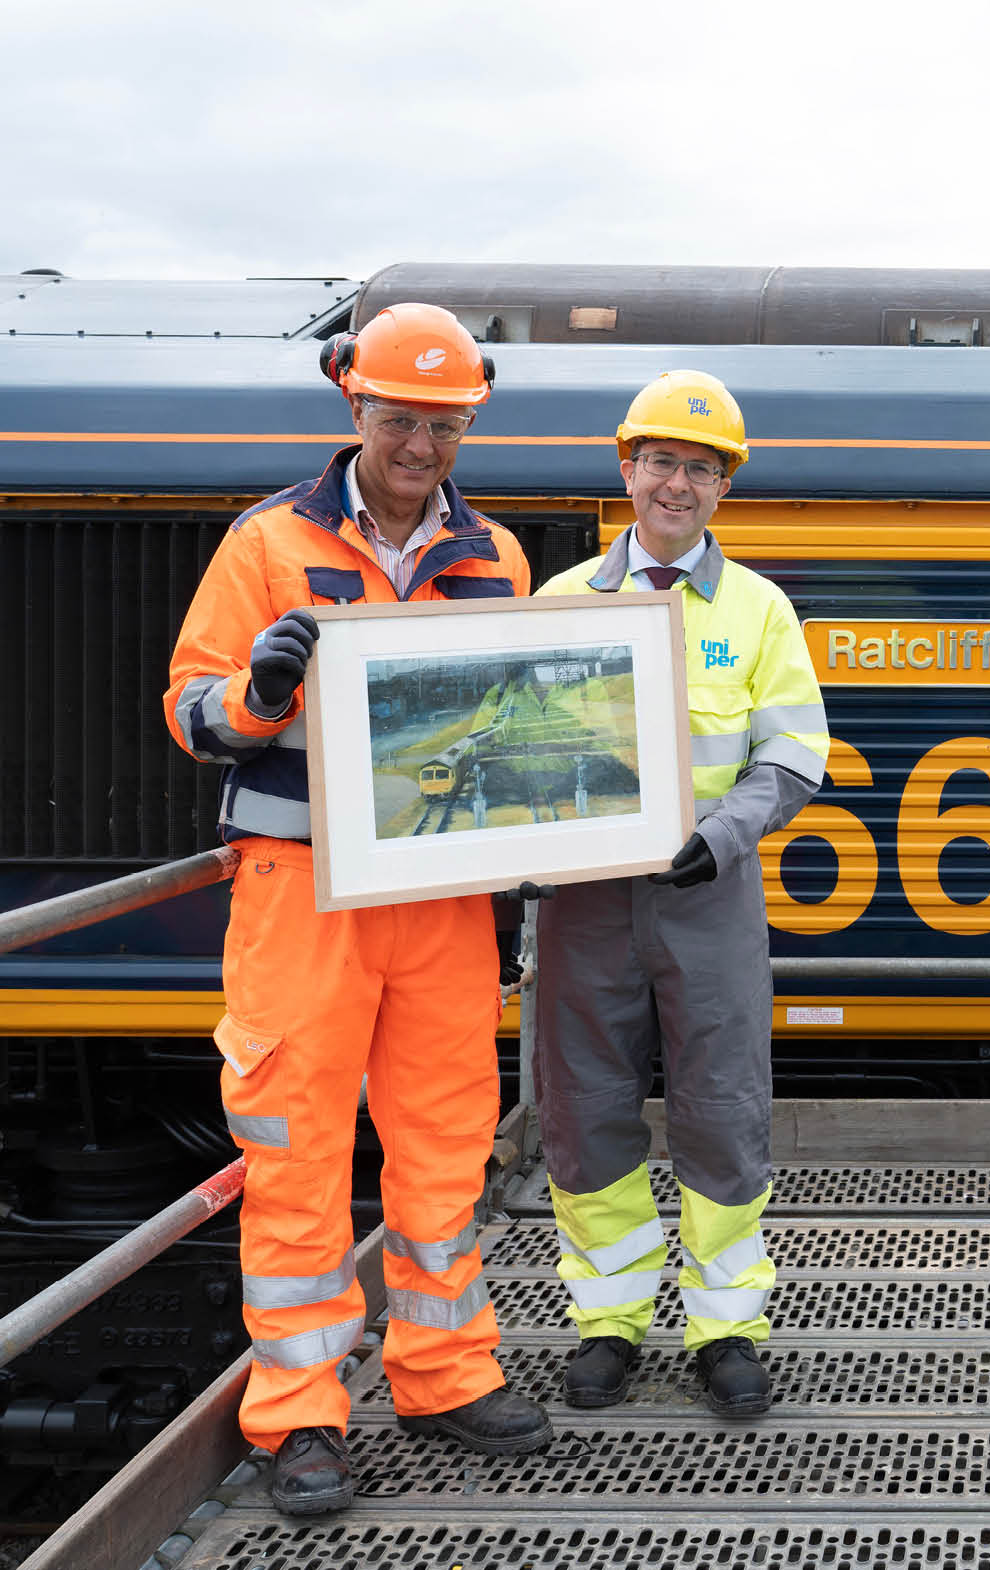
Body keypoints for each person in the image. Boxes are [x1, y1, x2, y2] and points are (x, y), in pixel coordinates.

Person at [163, 304, 550, 1516]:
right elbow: (190, 709)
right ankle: (299, 1414)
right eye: (400, 419)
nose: (421, 445)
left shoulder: (497, 558)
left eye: (446, 425)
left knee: (447, 1139)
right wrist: (261, 692)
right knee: (297, 1152)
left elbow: (511, 725)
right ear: (355, 404)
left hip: (440, 894)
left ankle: (444, 1371)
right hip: (303, 892)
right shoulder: (265, 542)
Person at [531, 370, 829, 1417]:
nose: (678, 484)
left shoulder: (758, 609)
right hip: (584, 905)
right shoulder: (561, 604)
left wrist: (721, 837)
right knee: (585, 1106)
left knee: (721, 1108)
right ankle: (608, 1321)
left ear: (724, 486)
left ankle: (726, 1328)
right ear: (627, 468)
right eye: (661, 460)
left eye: (702, 468)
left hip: (709, 895)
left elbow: (793, 754)